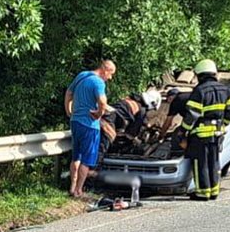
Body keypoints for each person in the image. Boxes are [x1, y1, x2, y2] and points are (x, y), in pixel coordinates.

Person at [176, 59, 230, 201]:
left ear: (200, 75)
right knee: (214, 162)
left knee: (200, 163)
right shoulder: (225, 90)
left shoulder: (200, 91)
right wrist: (223, 124)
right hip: (217, 133)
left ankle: (202, 193)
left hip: (201, 134)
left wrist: (183, 131)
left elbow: (192, 114)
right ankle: (214, 191)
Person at [64, 59, 116, 196]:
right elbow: (103, 103)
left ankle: (72, 187)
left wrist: (69, 111)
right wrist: (98, 114)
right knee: (86, 160)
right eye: (110, 74)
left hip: (75, 122)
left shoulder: (82, 75)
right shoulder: (98, 82)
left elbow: (68, 93)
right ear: (105, 70)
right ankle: (79, 190)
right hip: (90, 125)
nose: (110, 78)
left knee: (76, 157)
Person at [99, 90, 162, 158]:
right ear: (152, 103)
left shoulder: (128, 100)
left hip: (99, 120)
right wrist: (137, 141)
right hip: (108, 125)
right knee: (99, 153)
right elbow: (130, 135)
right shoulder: (141, 111)